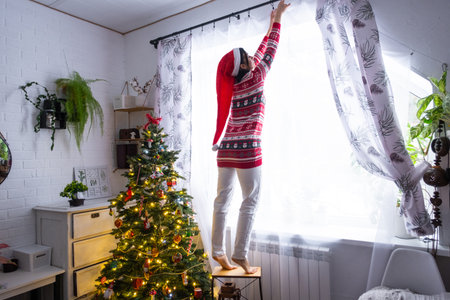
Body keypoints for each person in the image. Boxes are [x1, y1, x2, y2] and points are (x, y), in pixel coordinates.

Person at [211, 0, 290, 274]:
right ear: (245, 64)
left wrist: (270, 23)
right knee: (250, 200)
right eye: (246, 56)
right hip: (246, 149)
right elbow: (271, 49)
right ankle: (240, 254)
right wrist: (278, 17)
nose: (251, 56)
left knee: (222, 200)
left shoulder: (235, 82)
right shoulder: (256, 77)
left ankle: (218, 251)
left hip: (226, 149)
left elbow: (260, 49)